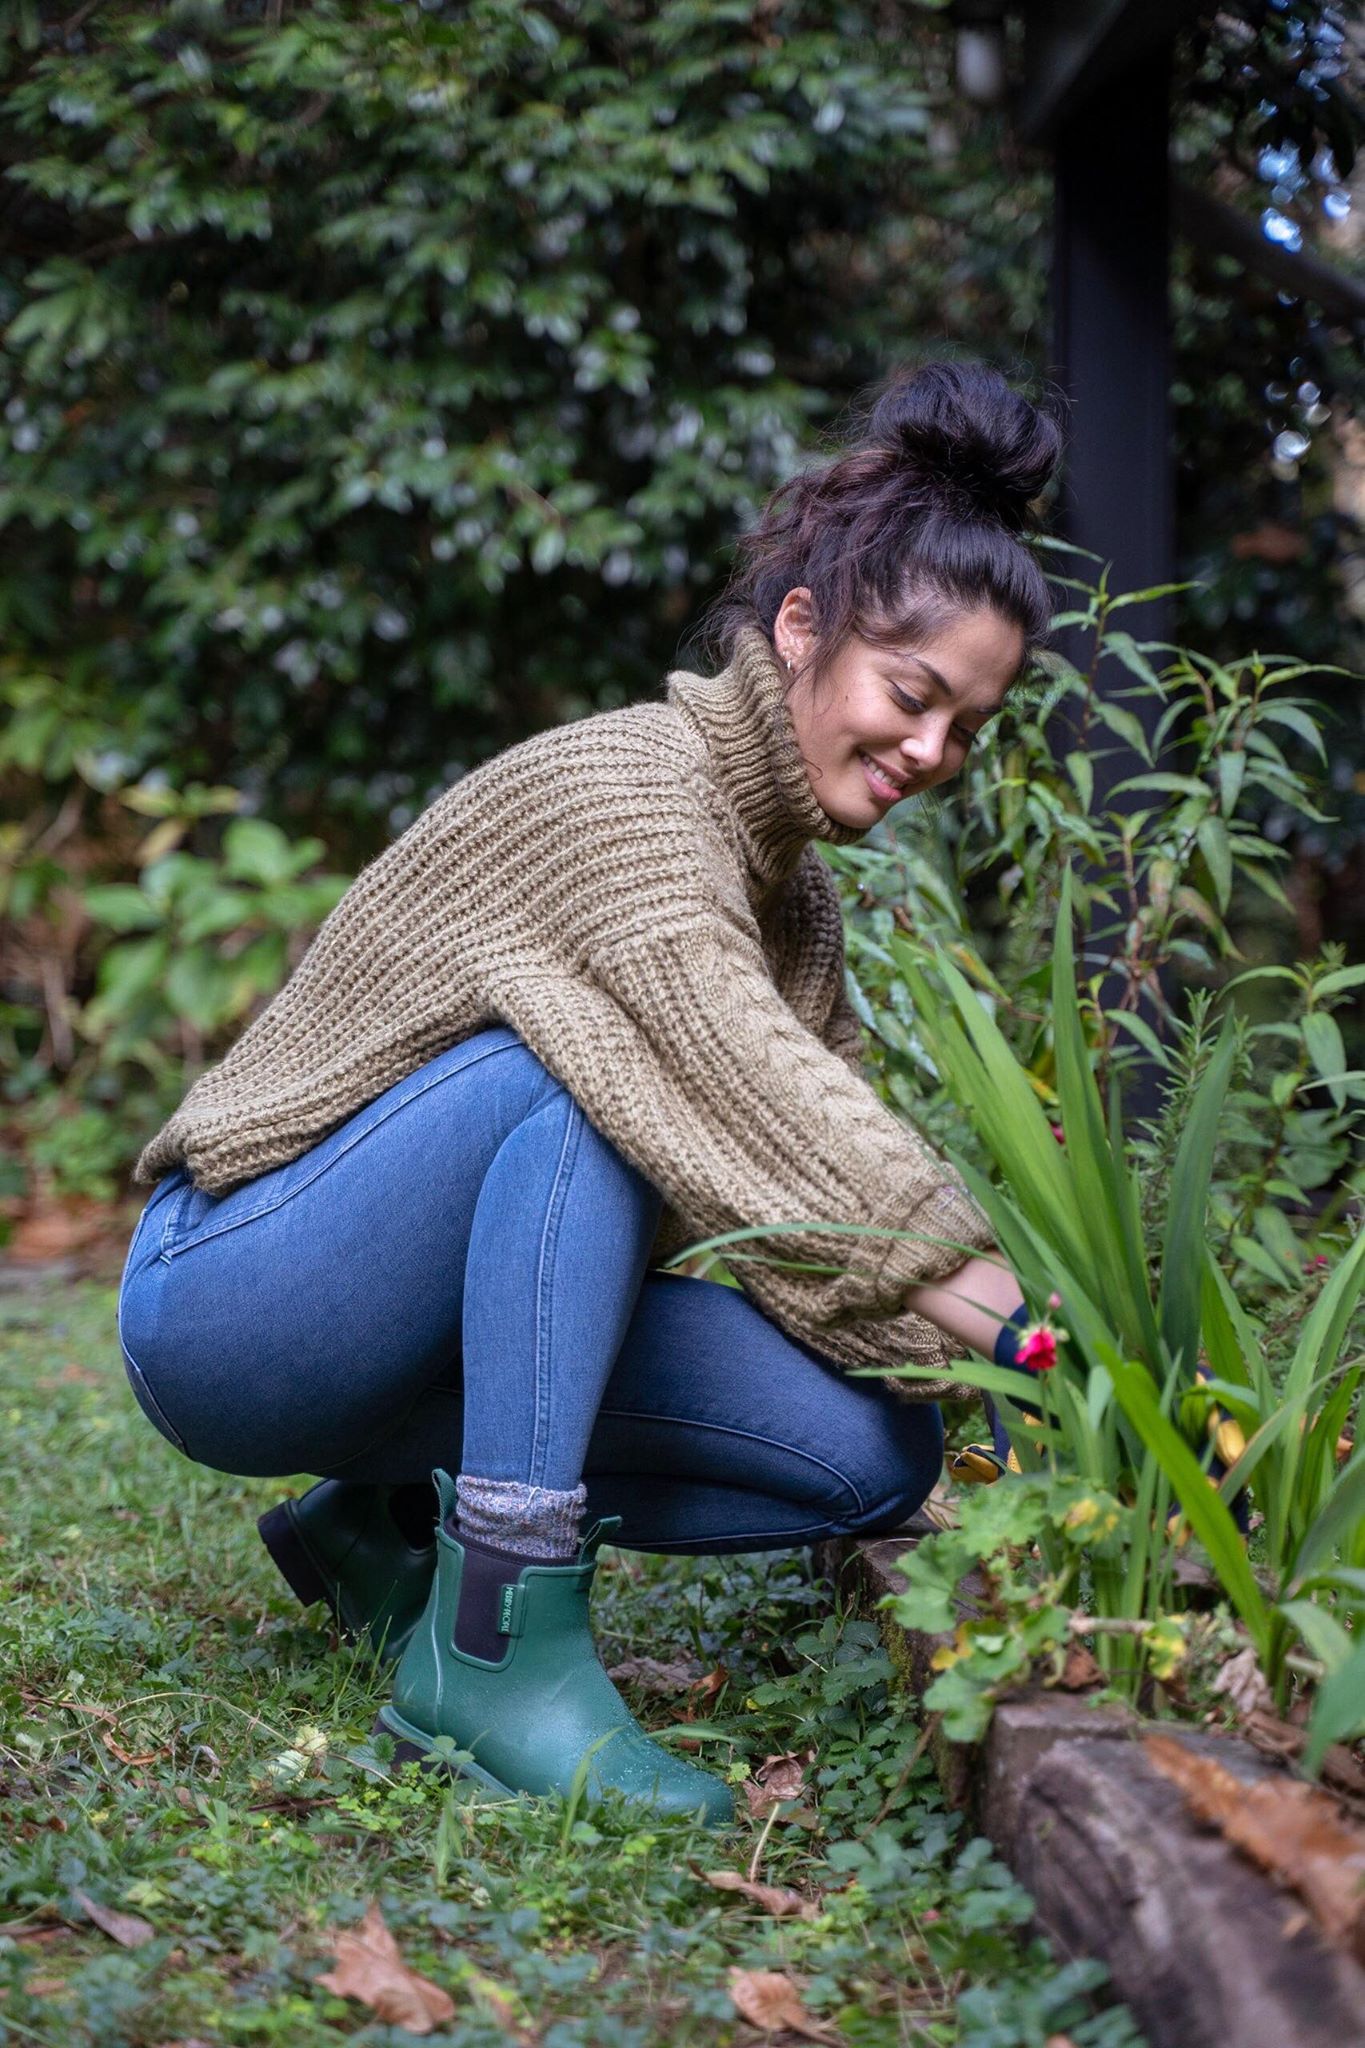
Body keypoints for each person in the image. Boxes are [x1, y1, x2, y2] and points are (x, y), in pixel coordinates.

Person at [116, 357, 1063, 1829]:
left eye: (967, 728)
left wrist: (997, 1419)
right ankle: (497, 1644)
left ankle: (371, 1533)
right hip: (229, 1301)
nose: (931, 752)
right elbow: (766, 1106)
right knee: (580, 1086)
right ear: (800, 628)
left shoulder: (792, 905)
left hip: (384, 1336)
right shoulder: (628, 796)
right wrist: (1025, 1322)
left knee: (868, 1452)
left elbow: (810, 1225)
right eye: (912, 694)